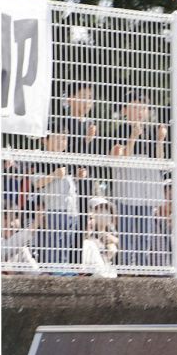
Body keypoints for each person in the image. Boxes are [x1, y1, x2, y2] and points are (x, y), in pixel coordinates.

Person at [109, 91, 167, 267]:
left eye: (144, 108)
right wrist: (133, 137)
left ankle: (142, 267)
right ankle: (126, 267)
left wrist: (160, 141)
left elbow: (160, 162)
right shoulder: (119, 131)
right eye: (135, 107)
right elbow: (121, 160)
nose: (140, 111)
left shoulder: (151, 131)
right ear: (125, 110)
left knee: (145, 233)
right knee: (126, 233)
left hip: (146, 189)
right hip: (127, 189)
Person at [32, 121, 81, 267]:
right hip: (54, 209)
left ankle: (63, 271)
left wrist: (78, 176)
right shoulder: (41, 158)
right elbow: (37, 182)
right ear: (45, 140)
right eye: (57, 138)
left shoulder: (68, 159)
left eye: (64, 138)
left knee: (67, 243)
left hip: (71, 211)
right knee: (53, 244)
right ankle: (53, 271)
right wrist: (54, 175)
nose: (61, 142)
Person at [64, 81, 99, 252]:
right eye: (83, 97)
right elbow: (63, 149)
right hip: (67, 181)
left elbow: (96, 154)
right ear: (70, 99)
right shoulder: (64, 123)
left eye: (90, 98)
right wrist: (86, 140)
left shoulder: (91, 124)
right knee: (67, 224)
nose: (87, 102)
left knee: (82, 224)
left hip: (86, 181)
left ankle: (78, 267)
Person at [81, 196, 119, 278]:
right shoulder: (88, 227)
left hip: (108, 269)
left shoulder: (111, 231)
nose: (104, 214)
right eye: (100, 210)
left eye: (106, 211)